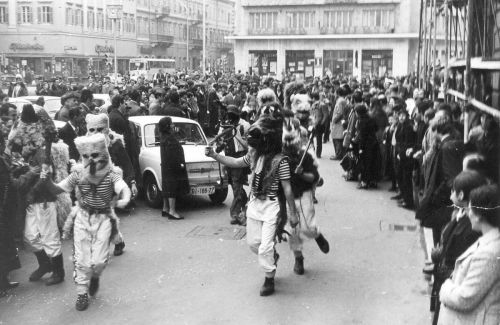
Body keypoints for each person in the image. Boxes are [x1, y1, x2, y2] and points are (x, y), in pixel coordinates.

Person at [206, 115, 300, 297]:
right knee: (253, 244)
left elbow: (287, 189)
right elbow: (235, 162)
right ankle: (271, 257)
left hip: (272, 206)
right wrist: (215, 155)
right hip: (255, 205)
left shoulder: (282, 161)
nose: (251, 146)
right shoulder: (254, 155)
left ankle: (269, 278)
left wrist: (293, 214)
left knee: (264, 248)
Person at [41, 133, 131, 311]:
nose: (91, 160)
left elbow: (123, 187)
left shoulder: (111, 174)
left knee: (98, 261)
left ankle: (95, 275)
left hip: (103, 219)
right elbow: (58, 189)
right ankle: (82, 293)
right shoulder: (77, 174)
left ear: (104, 155)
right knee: (81, 259)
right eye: (86, 156)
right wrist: (46, 180)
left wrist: (124, 199)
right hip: (82, 218)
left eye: (95, 155)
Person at [438, 184, 500, 325]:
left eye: (470, 209)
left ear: (479, 215)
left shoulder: (490, 254)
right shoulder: (490, 242)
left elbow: (465, 299)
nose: (468, 213)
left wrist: (445, 287)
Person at [430, 170, 487, 325]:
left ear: (461, 195)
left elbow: (464, 267)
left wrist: (443, 269)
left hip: (452, 289)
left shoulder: (471, 227)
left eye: (453, 191)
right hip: (445, 285)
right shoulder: (460, 214)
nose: (450, 194)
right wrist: (439, 254)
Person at [216, 105, 250, 225]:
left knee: (236, 185)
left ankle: (236, 213)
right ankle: (245, 204)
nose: (230, 118)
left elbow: (248, 145)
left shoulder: (244, 125)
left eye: (232, 116)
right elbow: (219, 141)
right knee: (233, 185)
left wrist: (237, 135)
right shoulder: (225, 125)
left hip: (240, 158)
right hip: (228, 158)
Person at [159, 116, 189, 220]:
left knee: (166, 186)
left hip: (166, 165)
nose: (173, 125)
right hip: (172, 166)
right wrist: (179, 164)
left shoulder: (163, 136)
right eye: (171, 124)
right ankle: (172, 211)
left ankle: (165, 208)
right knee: (172, 187)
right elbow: (173, 153)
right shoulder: (170, 138)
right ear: (167, 126)